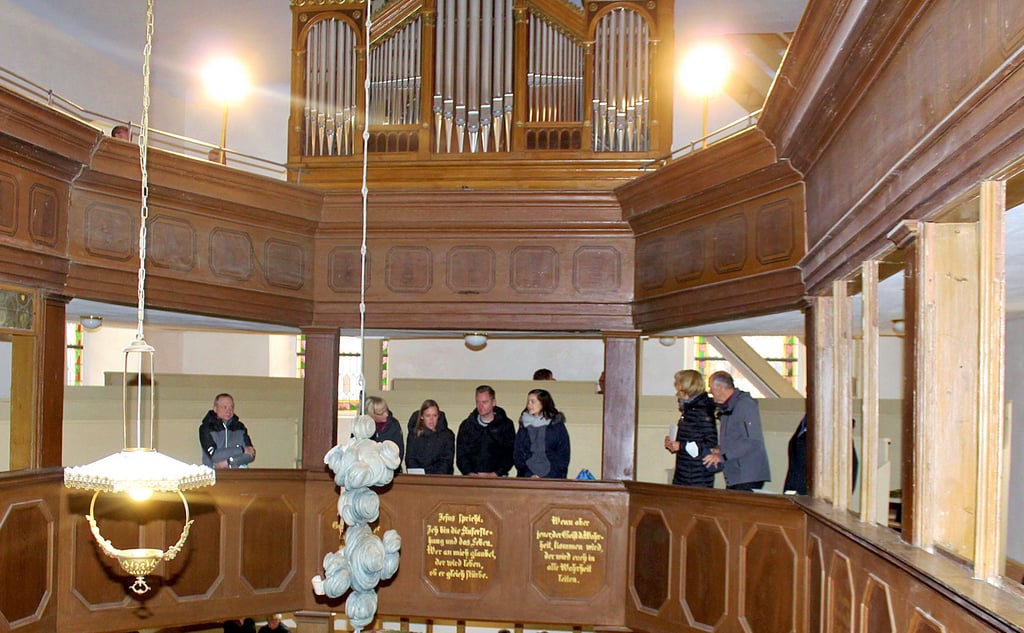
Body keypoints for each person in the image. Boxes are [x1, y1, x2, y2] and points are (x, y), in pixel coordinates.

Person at [702, 371, 771, 491]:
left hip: (747, 474)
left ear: (720, 387)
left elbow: (752, 441)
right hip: (735, 472)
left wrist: (722, 456)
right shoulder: (729, 406)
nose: (710, 391)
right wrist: (719, 449)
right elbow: (734, 437)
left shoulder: (745, 405)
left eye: (711, 387)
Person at [664, 369, 718, 488]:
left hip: (697, 475)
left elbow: (710, 444)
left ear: (686, 386)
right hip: (685, 471)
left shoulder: (702, 411)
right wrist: (673, 442)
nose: (677, 388)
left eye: (679, 384)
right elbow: (690, 436)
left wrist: (681, 445)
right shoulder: (689, 409)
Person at [455, 385, 516, 477]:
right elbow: (461, 456)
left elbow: (509, 454)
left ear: (494, 402)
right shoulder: (467, 426)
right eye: (478, 402)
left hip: (498, 478)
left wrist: (495, 474)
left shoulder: (506, 425)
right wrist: (470, 473)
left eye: (484, 402)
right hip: (472, 478)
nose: (480, 406)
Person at [514, 388, 570, 478]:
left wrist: (552, 475)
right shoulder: (524, 425)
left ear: (543, 403)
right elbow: (518, 453)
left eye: (533, 402)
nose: (529, 405)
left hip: (553, 475)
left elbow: (563, 454)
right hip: (527, 474)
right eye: (528, 402)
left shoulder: (556, 425)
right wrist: (528, 474)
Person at [199, 393, 256, 469]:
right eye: (224, 407)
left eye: (231, 407)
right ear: (215, 409)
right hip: (213, 474)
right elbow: (215, 456)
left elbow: (250, 454)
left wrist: (228, 462)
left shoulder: (240, 427)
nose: (229, 411)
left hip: (238, 474)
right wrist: (241, 450)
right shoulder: (206, 428)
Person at [405, 399, 455, 474]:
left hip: (441, 479)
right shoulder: (414, 434)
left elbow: (446, 461)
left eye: (434, 415)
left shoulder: (448, 435)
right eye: (428, 416)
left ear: (438, 416)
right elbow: (410, 459)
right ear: (422, 417)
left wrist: (433, 479)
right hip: (418, 478)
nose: (431, 420)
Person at [366, 395, 404, 472]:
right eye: (382, 413)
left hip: (390, 471)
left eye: (386, 410)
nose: (386, 414)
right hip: (368, 472)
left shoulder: (394, 425)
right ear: (371, 415)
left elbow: (399, 452)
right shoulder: (362, 428)